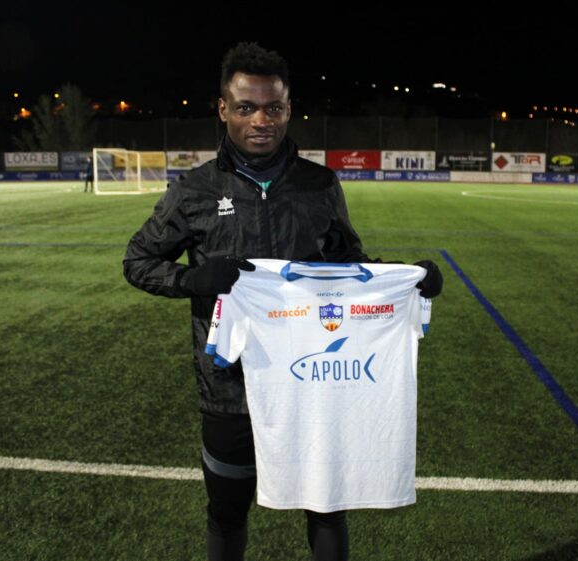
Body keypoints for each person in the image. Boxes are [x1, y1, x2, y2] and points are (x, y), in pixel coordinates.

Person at [123, 42, 443, 561]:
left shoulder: (319, 186)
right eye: (246, 107)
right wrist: (194, 279)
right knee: (227, 512)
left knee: (326, 505)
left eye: (273, 107)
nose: (261, 120)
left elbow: (348, 265)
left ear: (289, 110)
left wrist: (409, 280)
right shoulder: (195, 191)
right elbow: (137, 262)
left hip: (311, 384)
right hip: (227, 388)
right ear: (223, 109)